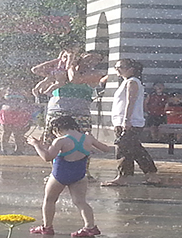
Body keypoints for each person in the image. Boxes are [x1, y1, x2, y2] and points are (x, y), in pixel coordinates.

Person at [28, 115, 114, 237]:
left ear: (57, 129)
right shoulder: (88, 138)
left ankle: (47, 227)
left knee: (49, 199)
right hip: (79, 175)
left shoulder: (61, 140)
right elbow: (107, 149)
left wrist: (36, 144)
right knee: (80, 202)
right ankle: (90, 227)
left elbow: (47, 157)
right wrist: (93, 139)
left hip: (60, 175)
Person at [103, 58, 160, 186]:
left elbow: (131, 101)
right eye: (116, 67)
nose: (117, 69)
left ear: (131, 70)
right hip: (126, 122)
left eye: (120, 67)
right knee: (134, 149)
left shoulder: (132, 82)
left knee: (123, 149)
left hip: (129, 122)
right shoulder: (128, 82)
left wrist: (126, 120)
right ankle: (150, 174)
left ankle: (124, 177)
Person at [43, 52, 107, 140]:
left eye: (97, 59)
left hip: (79, 112)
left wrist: (71, 65)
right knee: (51, 139)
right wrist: (60, 60)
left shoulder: (96, 74)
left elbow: (75, 79)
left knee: (81, 141)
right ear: (82, 56)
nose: (92, 61)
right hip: (56, 110)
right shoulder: (61, 70)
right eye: (89, 57)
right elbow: (38, 70)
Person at [0, 86, 36, 155]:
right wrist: (0, 95)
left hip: (19, 112)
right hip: (7, 112)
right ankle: (4, 149)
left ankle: (19, 149)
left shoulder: (23, 90)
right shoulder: (4, 89)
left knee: (18, 132)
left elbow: (30, 101)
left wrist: (28, 96)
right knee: (6, 131)